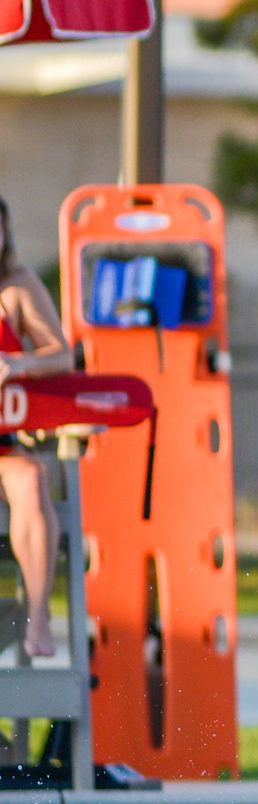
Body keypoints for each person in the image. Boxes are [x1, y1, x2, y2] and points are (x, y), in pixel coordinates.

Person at [0, 195, 71, 658]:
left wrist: (17, 362)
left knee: (33, 480)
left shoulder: (17, 285)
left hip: (5, 440)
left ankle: (39, 621)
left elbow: (62, 355)